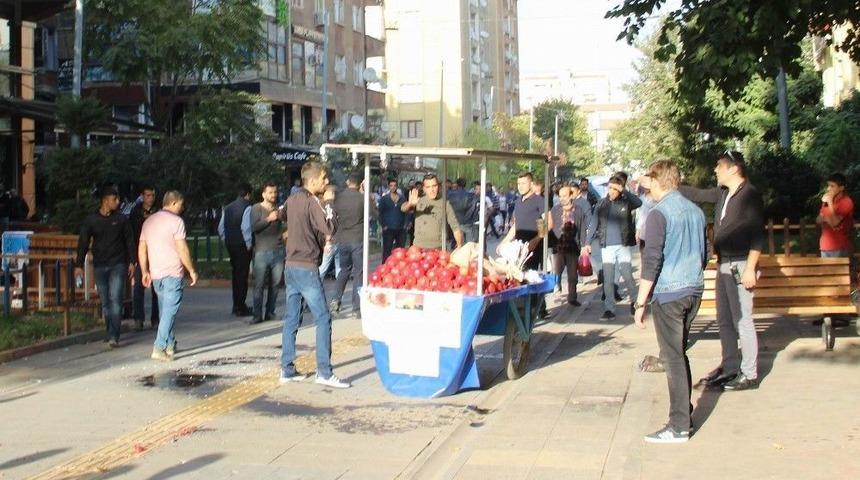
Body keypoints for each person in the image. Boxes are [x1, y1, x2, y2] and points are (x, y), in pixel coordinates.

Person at [633, 160, 707, 444]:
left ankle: (678, 426)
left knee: (672, 357)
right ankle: (683, 413)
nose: (646, 185)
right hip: (693, 289)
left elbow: (651, 261)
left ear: (657, 180)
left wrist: (640, 303)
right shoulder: (696, 212)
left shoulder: (658, 213)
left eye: (648, 180)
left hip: (670, 293)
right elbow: (705, 252)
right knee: (679, 354)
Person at [678, 150, 764, 391]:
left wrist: (750, 268)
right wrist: (671, 184)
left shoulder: (749, 195)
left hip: (740, 263)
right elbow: (698, 194)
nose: (715, 170)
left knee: (742, 319)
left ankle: (749, 373)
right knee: (724, 319)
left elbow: (758, 235)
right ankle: (729, 367)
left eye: (719, 166)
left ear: (733, 168)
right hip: (724, 262)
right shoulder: (724, 193)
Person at [279, 161, 351, 388]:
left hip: (290, 264)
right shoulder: (313, 202)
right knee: (322, 318)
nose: (327, 182)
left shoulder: (292, 199)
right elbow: (329, 228)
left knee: (292, 318)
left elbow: (282, 215)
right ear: (312, 181)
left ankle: (287, 369)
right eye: (323, 178)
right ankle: (324, 372)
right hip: (307, 267)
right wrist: (329, 203)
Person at [139, 190, 198, 361]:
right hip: (173, 272)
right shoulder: (176, 222)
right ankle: (159, 347)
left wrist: (144, 271)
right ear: (173, 203)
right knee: (169, 311)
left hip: (156, 273)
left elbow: (142, 249)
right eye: (181, 204)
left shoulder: (149, 222)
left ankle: (170, 344)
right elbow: (182, 248)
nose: (182, 208)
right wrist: (191, 270)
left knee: (166, 310)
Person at [75, 185, 136, 347]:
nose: (117, 202)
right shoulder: (91, 220)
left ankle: (114, 335)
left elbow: (130, 241)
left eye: (118, 199)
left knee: (116, 299)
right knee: (105, 301)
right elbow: (83, 242)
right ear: (105, 201)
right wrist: (78, 264)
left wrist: (132, 262)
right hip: (100, 265)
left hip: (118, 264)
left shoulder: (122, 219)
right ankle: (110, 330)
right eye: (114, 199)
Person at [584, 174, 642, 321]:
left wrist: (624, 191)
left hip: (623, 245)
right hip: (607, 246)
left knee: (627, 275)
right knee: (608, 279)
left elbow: (638, 202)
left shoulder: (626, 202)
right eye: (609, 188)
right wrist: (587, 243)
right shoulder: (602, 204)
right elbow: (594, 224)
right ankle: (609, 308)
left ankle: (635, 302)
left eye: (614, 189)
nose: (611, 191)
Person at [331, 174, 376, 317]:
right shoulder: (362, 198)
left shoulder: (338, 197)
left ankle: (335, 300)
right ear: (359, 184)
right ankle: (357, 308)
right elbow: (375, 214)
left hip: (342, 238)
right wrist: (367, 195)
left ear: (347, 182)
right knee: (359, 272)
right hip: (358, 238)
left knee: (344, 270)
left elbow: (332, 215)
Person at [547, 185, 590, 306]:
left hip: (573, 246)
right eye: (560, 196)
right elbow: (550, 226)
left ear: (571, 195)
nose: (562, 198)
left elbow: (582, 229)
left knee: (572, 275)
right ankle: (557, 287)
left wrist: (584, 246)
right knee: (557, 271)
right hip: (558, 246)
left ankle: (572, 297)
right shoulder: (555, 210)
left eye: (564, 196)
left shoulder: (578, 210)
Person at [248, 181, 285, 324]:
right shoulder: (256, 208)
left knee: (275, 285)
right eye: (270, 192)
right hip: (262, 252)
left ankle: (270, 312)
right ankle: (257, 315)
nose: (273, 195)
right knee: (259, 285)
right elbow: (254, 227)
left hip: (278, 251)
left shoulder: (278, 209)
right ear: (264, 194)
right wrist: (269, 219)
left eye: (275, 192)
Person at [401, 174, 463, 249]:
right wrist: (410, 204)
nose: (432, 190)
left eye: (434, 186)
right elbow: (403, 209)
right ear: (424, 189)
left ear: (438, 187)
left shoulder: (445, 204)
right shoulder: (418, 201)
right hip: (418, 249)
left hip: (439, 249)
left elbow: (455, 226)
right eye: (428, 187)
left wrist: (459, 245)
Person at [218, 183, 253, 317]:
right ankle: (241, 306)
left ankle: (236, 304)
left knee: (235, 275)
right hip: (242, 245)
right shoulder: (247, 207)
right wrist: (248, 243)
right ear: (248, 194)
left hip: (231, 244)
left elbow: (221, 228)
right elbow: (245, 228)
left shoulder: (227, 208)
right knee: (242, 276)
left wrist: (226, 240)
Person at [128, 185, 159, 331]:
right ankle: (138, 318)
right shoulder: (136, 212)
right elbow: (133, 234)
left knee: (157, 288)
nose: (150, 198)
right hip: (141, 252)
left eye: (152, 195)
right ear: (142, 196)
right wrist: (133, 257)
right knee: (138, 288)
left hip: (156, 252)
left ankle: (156, 318)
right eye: (148, 195)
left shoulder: (158, 211)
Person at [817, 173, 854, 257]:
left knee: (838, 270)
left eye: (832, 186)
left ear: (841, 188)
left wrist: (829, 202)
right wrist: (826, 218)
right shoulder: (826, 202)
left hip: (840, 247)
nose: (828, 189)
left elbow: (835, 222)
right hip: (824, 246)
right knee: (826, 270)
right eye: (828, 186)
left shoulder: (846, 201)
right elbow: (818, 220)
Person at [378, 178, 407, 262]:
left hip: (400, 228)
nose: (393, 187)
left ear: (397, 187)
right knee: (387, 250)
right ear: (388, 187)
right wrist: (383, 225)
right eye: (391, 186)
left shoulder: (402, 198)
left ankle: (399, 267)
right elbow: (380, 213)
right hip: (388, 228)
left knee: (400, 251)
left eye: (394, 186)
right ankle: (385, 267)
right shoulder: (384, 199)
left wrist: (406, 224)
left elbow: (406, 212)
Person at [317, 184, 341, 279]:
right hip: (332, 240)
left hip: (335, 240)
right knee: (325, 267)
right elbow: (329, 222)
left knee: (334, 267)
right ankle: (315, 284)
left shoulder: (324, 204)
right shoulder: (329, 205)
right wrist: (327, 240)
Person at [448, 178, 479, 244]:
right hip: (468, 221)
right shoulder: (470, 196)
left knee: (458, 242)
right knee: (469, 243)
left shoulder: (450, 195)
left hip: (456, 221)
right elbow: (474, 209)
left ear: (457, 184)